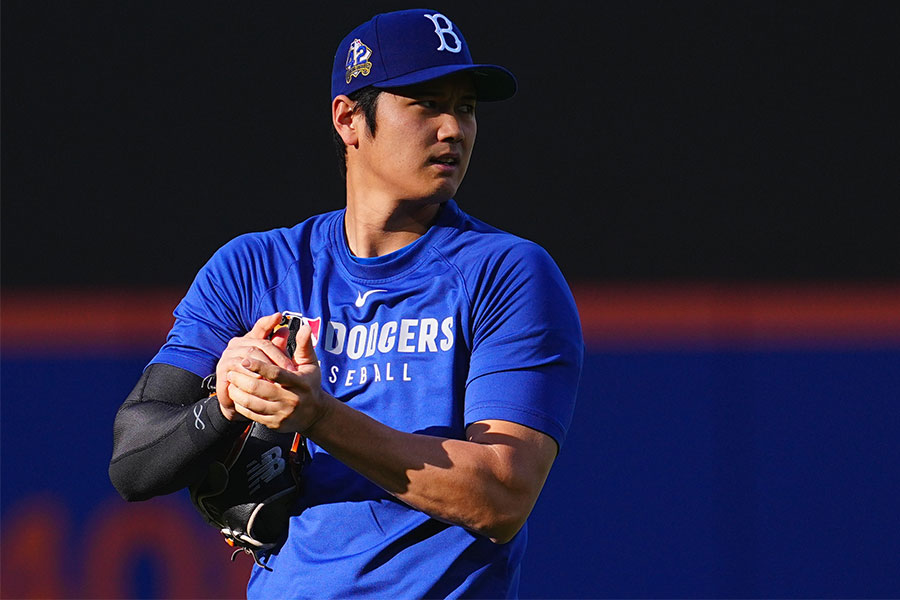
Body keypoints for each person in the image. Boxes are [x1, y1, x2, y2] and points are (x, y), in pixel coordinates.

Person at [110, 9, 583, 598]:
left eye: (465, 106)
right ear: (349, 118)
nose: (454, 129)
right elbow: (133, 461)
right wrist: (226, 405)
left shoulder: (505, 272)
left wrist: (319, 417)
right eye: (425, 102)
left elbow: (501, 497)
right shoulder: (253, 267)